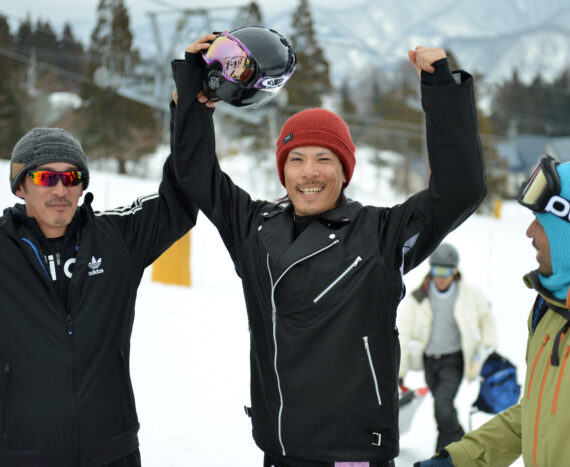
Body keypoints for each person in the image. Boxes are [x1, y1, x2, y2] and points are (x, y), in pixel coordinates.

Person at [171, 31, 486, 466]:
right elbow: (195, 174)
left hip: (352, 452)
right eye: (296, 159)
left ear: (345, 171)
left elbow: (460, 190)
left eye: (324, 159)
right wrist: (193, 91)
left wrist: (442, 92)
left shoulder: (380, 233)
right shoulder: (254, 227)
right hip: (279, 450)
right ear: (283, 172)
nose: (308, 173)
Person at [415, 156, 570, 466]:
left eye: (542, 222)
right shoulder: (555, 308)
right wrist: (460, 459)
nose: (529, 232)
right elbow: (537, 414)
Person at [0, 127, 197, 466]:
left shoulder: (116, 238)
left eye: (71, 177)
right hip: (18, 455)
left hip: (112, 452)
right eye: (46, 177)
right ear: (21, 185)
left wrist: (191, 112)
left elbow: (180, 199)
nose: (60, 189)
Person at [397, 243, 496, 451]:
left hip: (454, 360)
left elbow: (486, 318)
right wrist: (400, 371)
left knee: (442, 405)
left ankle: (444, 455)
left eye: (447, 271)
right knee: (444, 407)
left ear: (455, 271)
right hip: (430, 362)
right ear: (430, 270)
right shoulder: (418, 297)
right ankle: (462, 443)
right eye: (436, 271)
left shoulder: (468, 294)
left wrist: (488, 346)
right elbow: (403, 335)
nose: (441, 277)